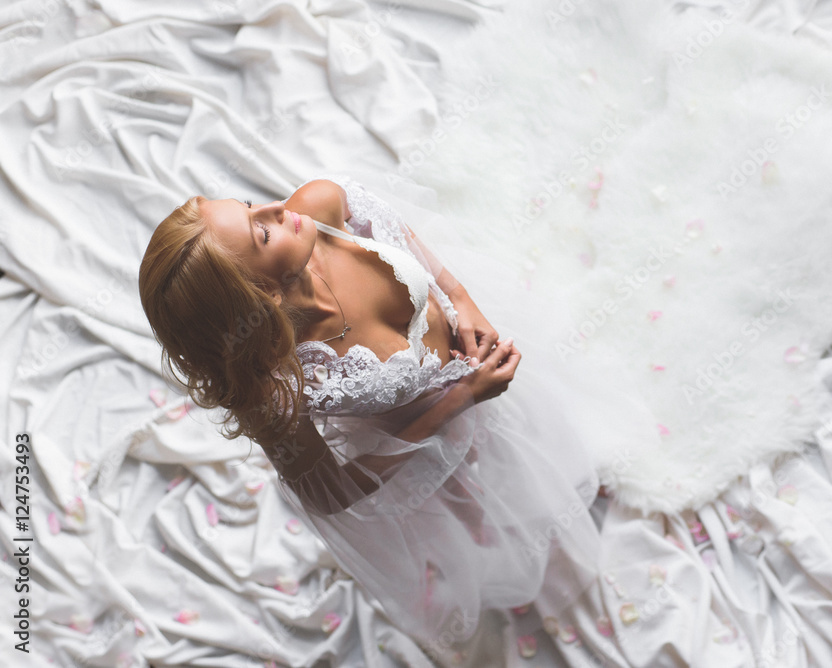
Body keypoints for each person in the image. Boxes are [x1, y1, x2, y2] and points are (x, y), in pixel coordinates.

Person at [138, 173, 603, 655]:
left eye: (250, 204)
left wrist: (461, 300)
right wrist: (461, 399)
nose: (277, 208)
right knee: (474, 514)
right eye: (262, 233)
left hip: (479, 373)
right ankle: (498, 546)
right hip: (424, 447)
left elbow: (398, 228)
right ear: (264, 297)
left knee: (533, 452)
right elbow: (331, 495)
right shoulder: (278, 385)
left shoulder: (320, 205)